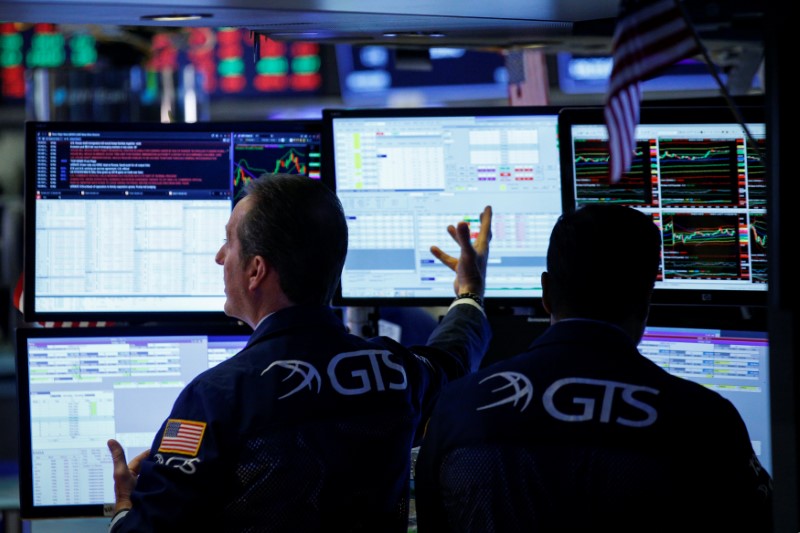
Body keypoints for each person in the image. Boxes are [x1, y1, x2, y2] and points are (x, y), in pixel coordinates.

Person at [106, 172, 493, 532]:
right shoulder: (395, 373)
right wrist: (470, 293)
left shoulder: (216, 397)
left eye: (229, 241)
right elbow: (454, 356)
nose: (220, 257)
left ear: (256, 270)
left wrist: (125, 504)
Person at [414, 203, 773, 533]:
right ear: (646, 300)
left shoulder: (458, 407)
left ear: (546, 293)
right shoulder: (705, 420)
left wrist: (470, 293)